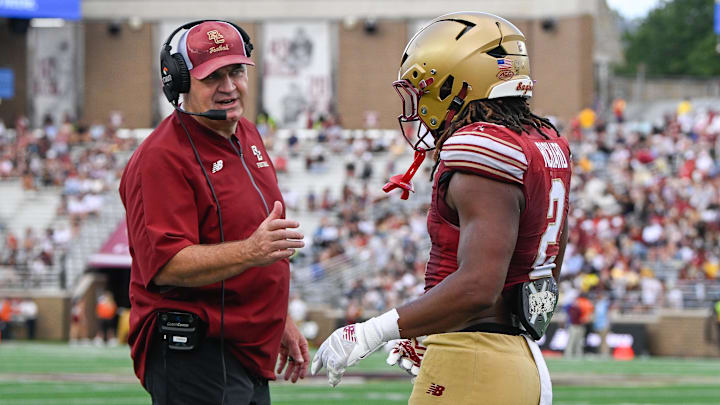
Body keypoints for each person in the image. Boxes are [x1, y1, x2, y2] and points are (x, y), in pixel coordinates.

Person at [311, 12, 571, 405]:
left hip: (476, 361)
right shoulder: (542, 139)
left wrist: (373, 331)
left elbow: (480, 286)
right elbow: (539, 272)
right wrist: (429, 325)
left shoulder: (481, 148)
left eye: (424, 91)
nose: (419, 107)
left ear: (456, 84)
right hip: (509, 355)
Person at [119, 20, 308, 405]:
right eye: (212, 76)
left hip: (244, 344)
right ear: (180, 82)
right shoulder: (161, 158)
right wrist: (251, 251)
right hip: (198, 350)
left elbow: (252, 240)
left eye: (236, 71)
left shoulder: (247, 133)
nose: (228, 87)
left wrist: (279, 319)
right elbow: (166, 263)